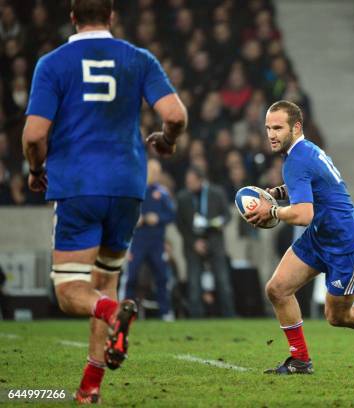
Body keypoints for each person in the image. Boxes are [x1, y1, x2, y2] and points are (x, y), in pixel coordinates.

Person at [21, 0, 187, 402]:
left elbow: (33, 135)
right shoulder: (138, 58)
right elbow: (176, 115)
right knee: (105, 282)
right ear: (111, 17)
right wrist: (166, 141)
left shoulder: (53, 63)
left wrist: (35, 169)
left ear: (73, 17)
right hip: (128, 185)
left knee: (71, 292)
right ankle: (89, 388)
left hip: (78, 183)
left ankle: (113, 314)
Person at [245, 100, 354, 375]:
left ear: (296, 127)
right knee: (277, 289)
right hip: (320, 238)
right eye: (268, 128)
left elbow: (304, 214)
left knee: (337, 316)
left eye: (278, 127)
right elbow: (313, 186)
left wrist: (271, 210)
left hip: (348, 245)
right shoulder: (305, 151)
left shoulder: (297, 158)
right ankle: (300, 361)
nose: (271, 134)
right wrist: (279, 193)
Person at [176, 166, 236, 317]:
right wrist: (194, 242)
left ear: (200, 180)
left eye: (191, 182)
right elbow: (180, 224)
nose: (188, 184)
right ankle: (196, 318)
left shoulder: (217, 193)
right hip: (193, 245)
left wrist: (219, 222)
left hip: (215, 241)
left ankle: (229, 316)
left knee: (223, 282)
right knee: (194, 283)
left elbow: (228, 215)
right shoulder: (182, 197)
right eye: (187, 182)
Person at [123, 158, 176, 320]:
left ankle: (165, 312)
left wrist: (158, 218)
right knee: (131, 277)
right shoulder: (134, 191)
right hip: (138, 241)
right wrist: (134, 219)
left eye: (157, 171)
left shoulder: (163, 193)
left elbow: (172, 215)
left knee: (162, 276)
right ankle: (125, 312)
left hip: (156, 242)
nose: (155, 174)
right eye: (152, 171)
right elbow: (123, 213)